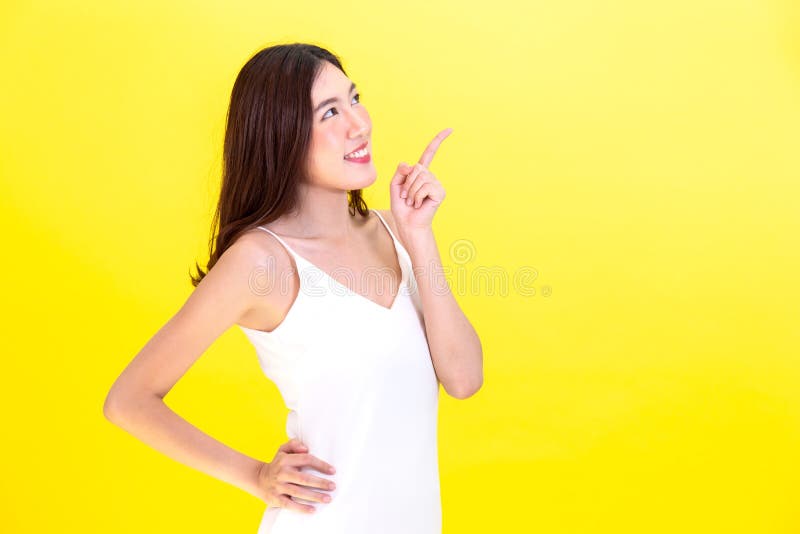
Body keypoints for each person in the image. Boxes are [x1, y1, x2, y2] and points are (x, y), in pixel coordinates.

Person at [103, 43, 483, 533]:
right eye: (329, 112)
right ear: (283, 137)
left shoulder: (397, 232)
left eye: (354, 98)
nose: (359, 123)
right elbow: (128, 400)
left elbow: (464, 379)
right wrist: (256, 475)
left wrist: (420, 238)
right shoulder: (261, 261)